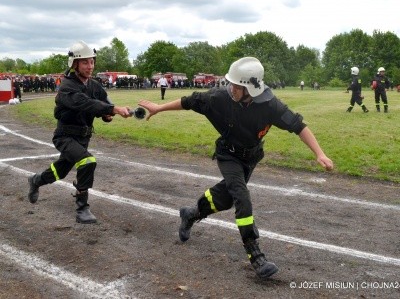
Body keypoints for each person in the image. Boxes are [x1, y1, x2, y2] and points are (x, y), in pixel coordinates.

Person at [139, 57, 334, 279]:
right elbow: (188, 101)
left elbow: (299, 126)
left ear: (250, 88)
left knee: (226, 199)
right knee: (242, 197)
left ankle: (191, 214)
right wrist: (159, 108)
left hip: (250, 159)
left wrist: (320, 153)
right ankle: (255, 254)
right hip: (228, 155)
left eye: (236, 85)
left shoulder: (271, 105)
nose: (231, 88)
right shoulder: (218, 98)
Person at [27, 40, 132, 224]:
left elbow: (103, 101)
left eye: (92, 61)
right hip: (65, 136)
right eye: (85, 62)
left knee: (60, 171)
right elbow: (85, 103)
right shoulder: (67, 86)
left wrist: (108, 115)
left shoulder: (94, 85)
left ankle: (36, 181)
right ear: (75, 64)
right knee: (88, 161)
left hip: (83, 137)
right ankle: (82, 208)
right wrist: (114, 110)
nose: (90, 66)